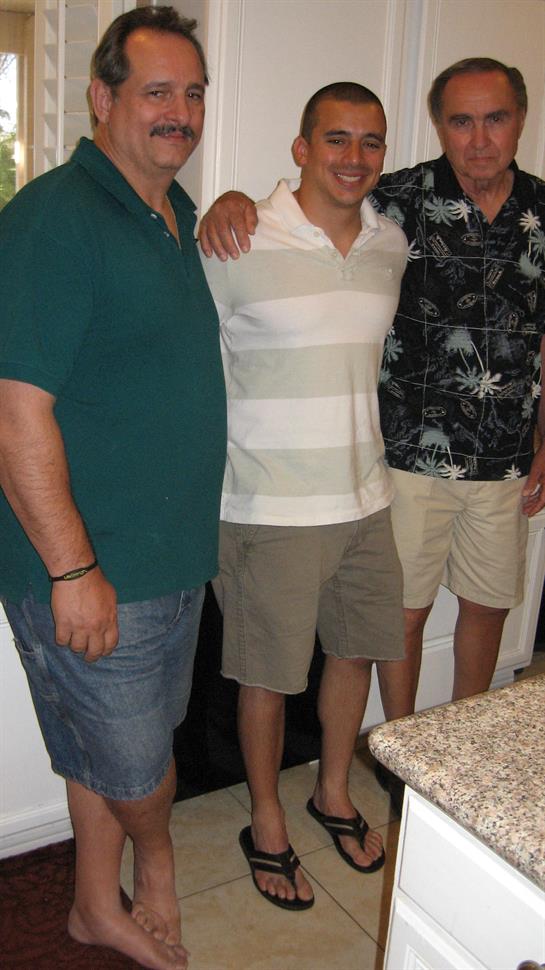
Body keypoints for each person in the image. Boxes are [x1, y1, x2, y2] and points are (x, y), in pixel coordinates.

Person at [199, 57, 545, 813]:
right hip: (392, 461)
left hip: (468, 464)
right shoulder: (395, 201)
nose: (478, 138)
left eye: (494, 118)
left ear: (519, 120)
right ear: (439, 126)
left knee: (449, 619)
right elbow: (308, 205)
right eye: (460, 120)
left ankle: (438, 762)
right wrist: (227, 199)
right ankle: (382, 768)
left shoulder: (488, 220)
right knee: (365, 635)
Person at [0, 7, 226, 969]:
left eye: (193, 93)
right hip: (94, 568)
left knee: (110, 746)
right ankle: (156, 868)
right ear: (102, 97)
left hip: (168, 556)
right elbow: (13, 415)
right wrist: (73, 568)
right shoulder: (52, 221)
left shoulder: (172, 214)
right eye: (156, 92)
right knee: (136, 768)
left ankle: (94, 905)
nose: (180, 112)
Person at [202, 82, 408, 908]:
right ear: (300, 148)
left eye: (370, 141)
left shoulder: (390, 243)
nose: (353, 158)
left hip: (366, 497)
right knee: (267, 679)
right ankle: (265, 820)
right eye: (335, 139)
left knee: (354, 653)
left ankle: (330, 791)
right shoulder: (235, 238)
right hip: (268, 507)